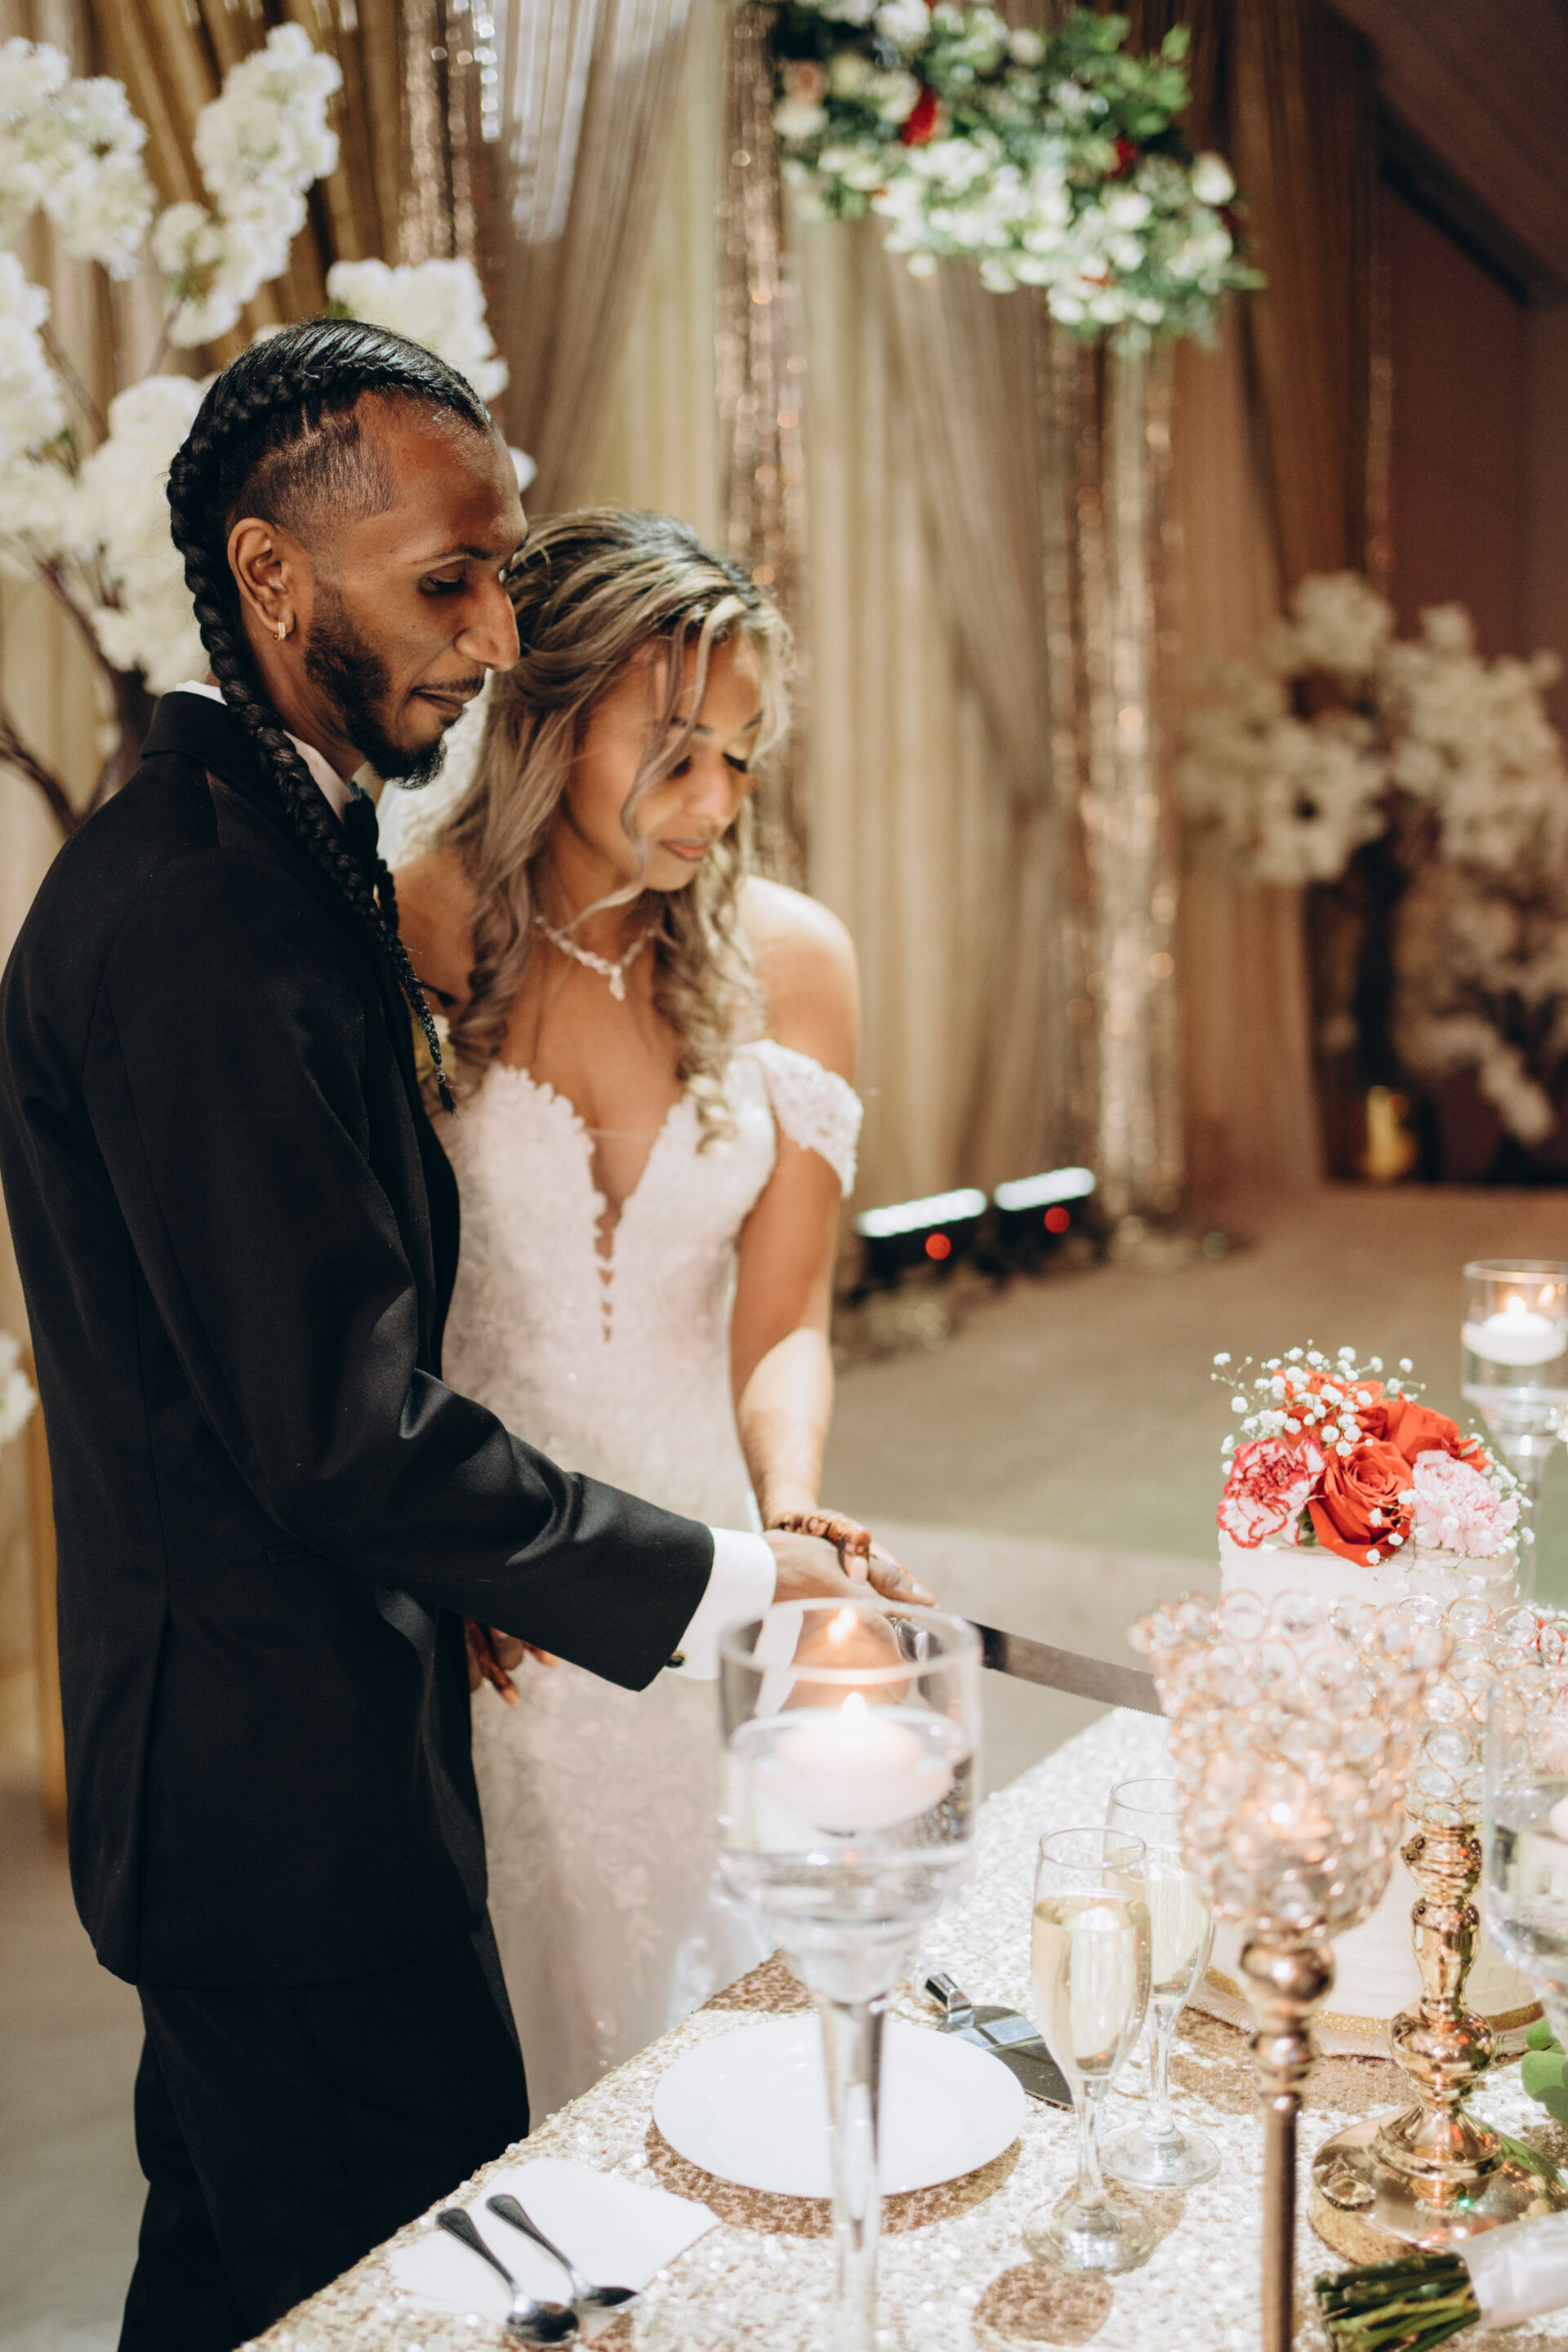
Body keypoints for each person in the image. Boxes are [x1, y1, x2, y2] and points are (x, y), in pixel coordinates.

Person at [0, 323, 898, 2352]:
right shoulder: (205, 910)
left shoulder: (272, 851)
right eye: (448, 580)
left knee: (232, 2280)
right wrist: (722, 1575)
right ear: (271, 575)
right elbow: (336, 1427)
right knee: (440, 2297)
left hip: (314, 1747)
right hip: (283, 1795)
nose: (494, 633)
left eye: (502, 578)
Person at [393, 508, 917, 2118]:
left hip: (701, 1567)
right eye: (677, 753)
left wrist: (789, 1509)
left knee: (721, 2054)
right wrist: (441, 1554)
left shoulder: (797, 962)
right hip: (485, 1594)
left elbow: (783, 1317)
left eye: (741, 759)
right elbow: (370, 1311)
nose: (717, 802)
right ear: (550, 718)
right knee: (519, 2063)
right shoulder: (409, 927)